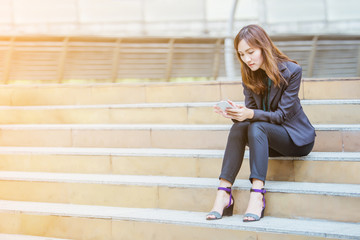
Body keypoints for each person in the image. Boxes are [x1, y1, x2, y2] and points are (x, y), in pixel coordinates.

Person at [206, 24, 315, 222]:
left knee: (256, 124)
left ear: (263, 47)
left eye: (251, 52)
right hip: (265, 140)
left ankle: (257, 194)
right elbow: (250, 114)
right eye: (241, 54)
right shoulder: (249, 74)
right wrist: (236, 113)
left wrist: (249, 114)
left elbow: (281, 116)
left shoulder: (292, 72)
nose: (247, 59)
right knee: (240, 126)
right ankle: (223, 193)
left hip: (295, 139)